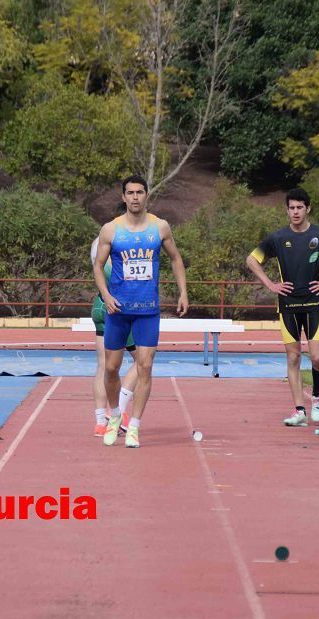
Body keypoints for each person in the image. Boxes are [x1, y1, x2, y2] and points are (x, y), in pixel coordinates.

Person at [246, 187, 319, 427]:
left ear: (308, 209)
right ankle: (299, 410)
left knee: (317, 358)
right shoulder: (277, 238)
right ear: (287, 210)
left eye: (299, 207)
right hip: (287, 307)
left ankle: (316, 397)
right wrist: (271, 285)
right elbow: (252, 260)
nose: (295, 212)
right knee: (293, 357)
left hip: (314, 304)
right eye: (291, 208)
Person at [94, 175, 188, 448]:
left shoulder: (160, 228)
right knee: (111, 368)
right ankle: (113, 416)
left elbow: (175, 258)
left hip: (148, 310)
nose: (135, 197)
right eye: (130, 193)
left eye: (139, 192)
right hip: (118, 310)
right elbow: (98, 266)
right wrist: (106, 296)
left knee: (145, 366)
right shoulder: (111, 230)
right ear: (123, 197)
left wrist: (183, 292)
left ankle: (133, 425)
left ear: (147, 195)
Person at [90, 238, 139, 437]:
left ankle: (100, 423)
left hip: (100, 304)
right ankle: (118, 409)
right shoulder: (124, 242)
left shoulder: (98, 241)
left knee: (103, 365)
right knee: (143, 361)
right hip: (119, 307)